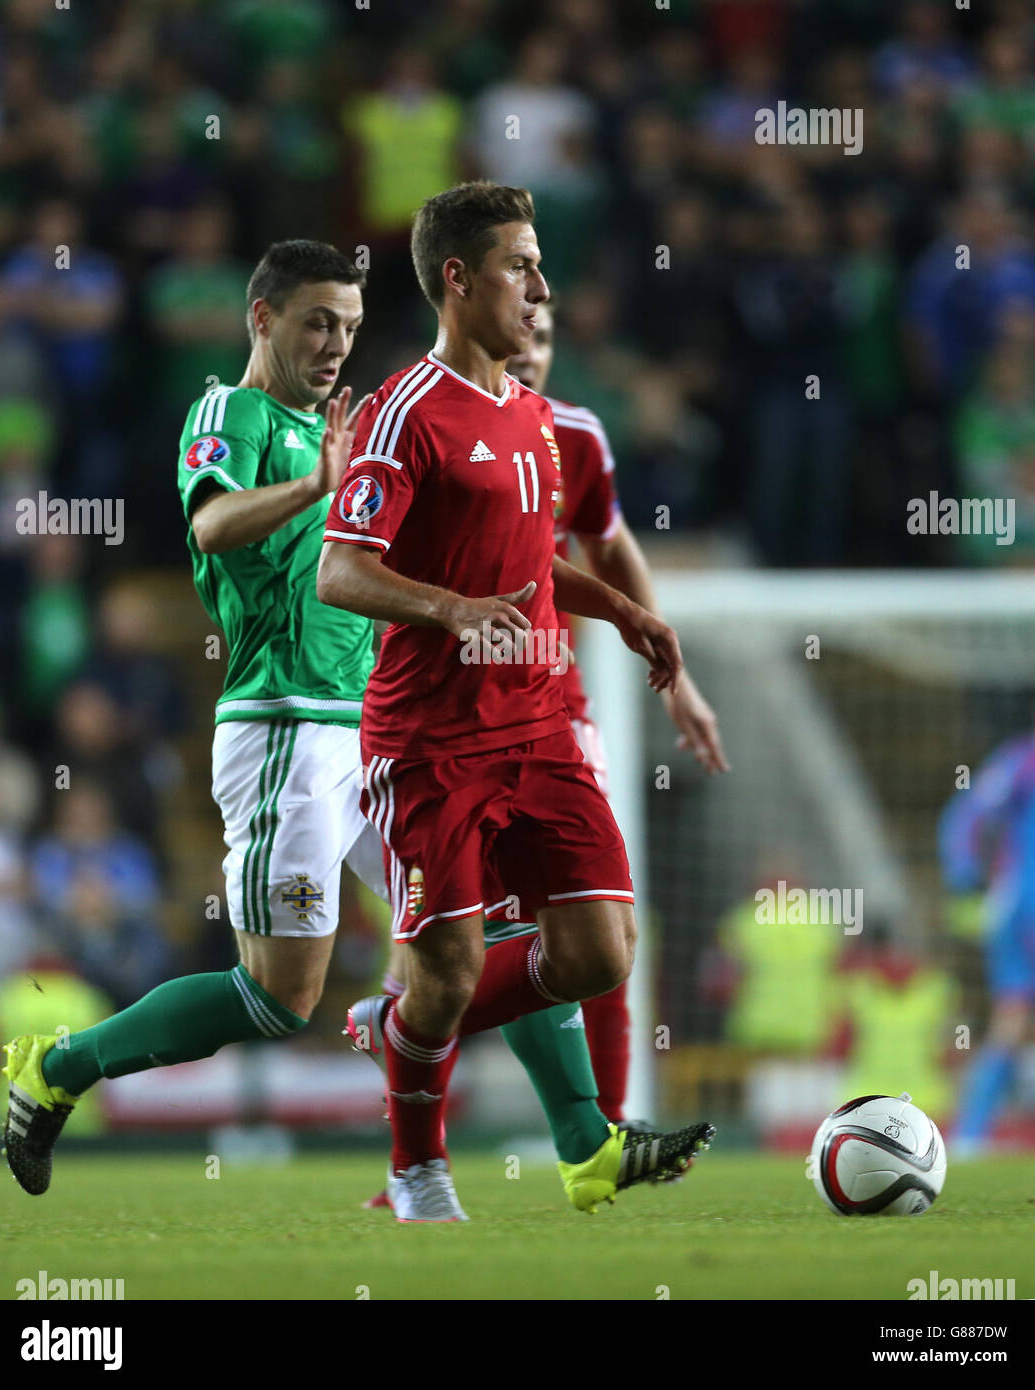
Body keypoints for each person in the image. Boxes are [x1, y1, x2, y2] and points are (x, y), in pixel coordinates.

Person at [318, 181, 716, 1222]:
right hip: (432, 741)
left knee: (598, 951)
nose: (541, 285)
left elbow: (535, 569)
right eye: (519, 266)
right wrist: (449, 608)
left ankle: (393, 1025)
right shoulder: (405, 412)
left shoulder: (533, 413)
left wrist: (628, 615)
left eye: (540, 264)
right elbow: (341, 571)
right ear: (458, 279)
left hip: (538, 726)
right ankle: (418, 1171)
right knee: (446, 974)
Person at [2, 240, 385, 1195]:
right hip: (285, 730)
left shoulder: (343, 431)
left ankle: (577, 1143)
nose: (336, 343)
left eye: (349, 326)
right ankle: (59, 1070)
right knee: (276, 999)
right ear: (263, 318)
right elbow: (210, 525)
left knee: (484, 911)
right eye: (317, 322)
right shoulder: (232, 412)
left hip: (376, 726)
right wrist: (316, 486)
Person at [938, 685, 1035, 1153]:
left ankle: (971, 1133)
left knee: (1014, 1020)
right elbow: (967, 813)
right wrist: (964, 871)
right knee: (1020, 1017)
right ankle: (973, 1131)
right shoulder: (1024, 763)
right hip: (1028, 908)